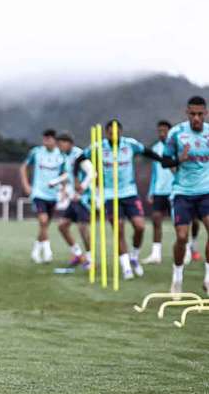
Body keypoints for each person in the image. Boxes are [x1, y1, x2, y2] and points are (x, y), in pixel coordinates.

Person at [77, 119, 168, 280]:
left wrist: (164, 161)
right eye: (111, 132)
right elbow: (78, 159)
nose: (114, 135)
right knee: (118, 229)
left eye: (117, 131)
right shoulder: (98, 146)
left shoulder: (130, 144)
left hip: (129, 193)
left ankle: (134, 256)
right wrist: (78, 180)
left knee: (140, 227)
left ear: (121, 131)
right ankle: (126, 267)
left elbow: (148, 152)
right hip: (110, 195)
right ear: (107, 133)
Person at [162, 96, 209, 295]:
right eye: (193, 114)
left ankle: (208, 277)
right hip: (182, 192)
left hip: (206, 190)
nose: (196, 118)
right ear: (187, 113)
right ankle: (177, 277)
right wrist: (179, 159)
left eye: (200, 114)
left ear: (206, 113)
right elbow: (165, 162)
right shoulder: (176, 134)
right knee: (182, 237)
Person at [51, 132, 94, 268]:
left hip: (85, 198)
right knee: (62, 225)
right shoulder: (66, 156)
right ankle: (77, 254)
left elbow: (93, 172)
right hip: (74, 198)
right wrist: (56, 181)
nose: (59, 147)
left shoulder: (79, 155)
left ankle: (90, 259)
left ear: (69, 143)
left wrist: (82, 187)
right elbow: (68, 175)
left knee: (83, 228)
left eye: (61, 144)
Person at [20, 129, 63, 264]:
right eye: (44, 139)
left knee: (44, 226)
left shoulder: (61, 154)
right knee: (43, 221)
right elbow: (24, 167)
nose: (46, 142)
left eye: (48, 139)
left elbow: (65, 174)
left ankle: (35, 251)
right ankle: (48, 251)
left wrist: (65, 189)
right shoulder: (36, 152)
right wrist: (26, 185)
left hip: (53, 195)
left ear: (54, 140)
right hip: (39, 193)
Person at [142, 120, 174, 264]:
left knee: (181, 223)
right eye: (159, 131)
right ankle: (156, 254)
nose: (162, 133)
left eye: (164, 130)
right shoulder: (155, 149)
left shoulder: (176, 146)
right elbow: (155, 173)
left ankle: (187, 250)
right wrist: (151, 191)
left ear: (170, 131)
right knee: (156, 220)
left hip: (175, 190)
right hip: (159, 191)